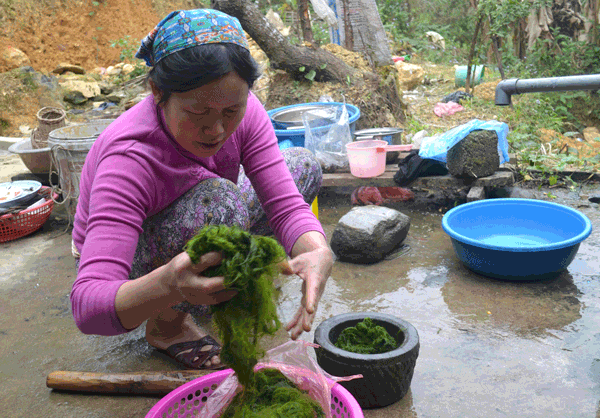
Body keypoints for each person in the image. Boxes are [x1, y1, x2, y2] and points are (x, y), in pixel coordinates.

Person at [70, 9, 333, 370]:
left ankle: (202, 283)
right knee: (220, 206)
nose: (216, 130)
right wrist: (168, 285)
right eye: (197, 113)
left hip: (200, 205)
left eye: (231, 111)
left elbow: (285, 206)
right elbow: (88, 306)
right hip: (127, 251)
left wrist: (317, 251)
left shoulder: (245, 111)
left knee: (302, 165)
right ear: (158, 92)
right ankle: (167, 326)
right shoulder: (129, 158)